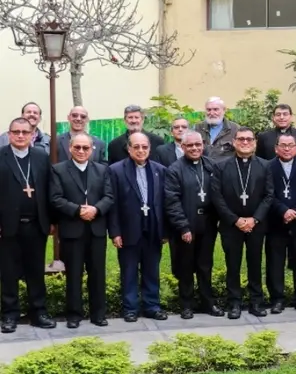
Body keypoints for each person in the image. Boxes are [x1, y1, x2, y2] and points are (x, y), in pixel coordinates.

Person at [50, 132, 114, 328]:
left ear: (92, 149)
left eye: (85, 147)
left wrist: (96, 209)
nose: (81, 151)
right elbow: (56, 198)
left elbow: (109, 196)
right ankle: (74, 315)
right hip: (72, 229)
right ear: (70, 148)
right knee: (73, 274)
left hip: (96, 230)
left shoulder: (102, 170)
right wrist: (78, 210)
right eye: (77, 147)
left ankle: (98, 314)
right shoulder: (58, 170)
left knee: (97, 273)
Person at [211, 127, 274, 319]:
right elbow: (217, 197)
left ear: (255, 143)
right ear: (234, 142)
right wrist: (235, 220)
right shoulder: (221, 166)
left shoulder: (265, 166)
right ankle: (234, 303)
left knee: (255, 263)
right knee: (233, 265)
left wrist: (255, 219)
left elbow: (269, 195)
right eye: (241, 139)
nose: (245, 142)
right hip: (231, 225)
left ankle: (256, 302)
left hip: (256, 224)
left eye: (249, 139)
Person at [0, 118, 54, 333]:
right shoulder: (1, 155)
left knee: (36, 270)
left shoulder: (41, 156)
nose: (20, 135)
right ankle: (9, 314)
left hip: (36, 224)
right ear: (9, 134)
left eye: (25, 132)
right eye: (16, 132)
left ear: (32, 135)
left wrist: (51, 221)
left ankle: (38, 312)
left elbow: (50, 189)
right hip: (7, 226)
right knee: (8, 272)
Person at [108, 132, 169, 322]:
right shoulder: (116, 170)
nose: (141, 150)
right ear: (129, 149)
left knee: (152, 270)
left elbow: (165, 202)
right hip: (128, 230)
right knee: (129, 271)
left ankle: (152, 306)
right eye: (136, 147)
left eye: (144, 147)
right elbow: (112, 204)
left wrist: (165, 231)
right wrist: (115, 232)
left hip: (153, 228)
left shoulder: (160, 170)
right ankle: (130, 308)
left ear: (150, 148)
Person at [164, 131, 224, 318]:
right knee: (186, 266)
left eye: (198, 144)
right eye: (190, 145)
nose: (194, 148)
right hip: (187, 225)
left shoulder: (211, 165)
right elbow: (172, 201)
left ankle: (207, 303)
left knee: (205, 265)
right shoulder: (175, 169)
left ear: (203, 145)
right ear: (183, 147)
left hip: (208, 224)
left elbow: (219, 193)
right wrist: (183, 227)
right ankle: (186, 305)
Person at [263, 133, 296, 314]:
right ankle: (277, 299)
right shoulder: (268, 167)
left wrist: (295, 211)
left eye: (290, 145)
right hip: (276, 223)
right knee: (275, 263)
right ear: (276, 148)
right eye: (283, 145)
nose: (287, 149)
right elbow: (268, 193)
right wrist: (283, 211)